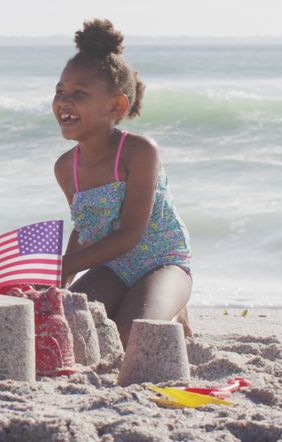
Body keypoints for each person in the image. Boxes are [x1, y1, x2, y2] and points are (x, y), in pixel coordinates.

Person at [53, 19, 192, 344]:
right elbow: (84, 230)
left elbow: (131, 233)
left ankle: (177, 308)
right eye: (60, 91)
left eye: (79, 94)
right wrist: (59, 281)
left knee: (134, 331)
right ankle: (141, 301)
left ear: (116, 105)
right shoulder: (65, 168)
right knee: (72, 325)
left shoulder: (139, 152)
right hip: (115, 266)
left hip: (163, 261)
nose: (64, 102)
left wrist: (62, 266)